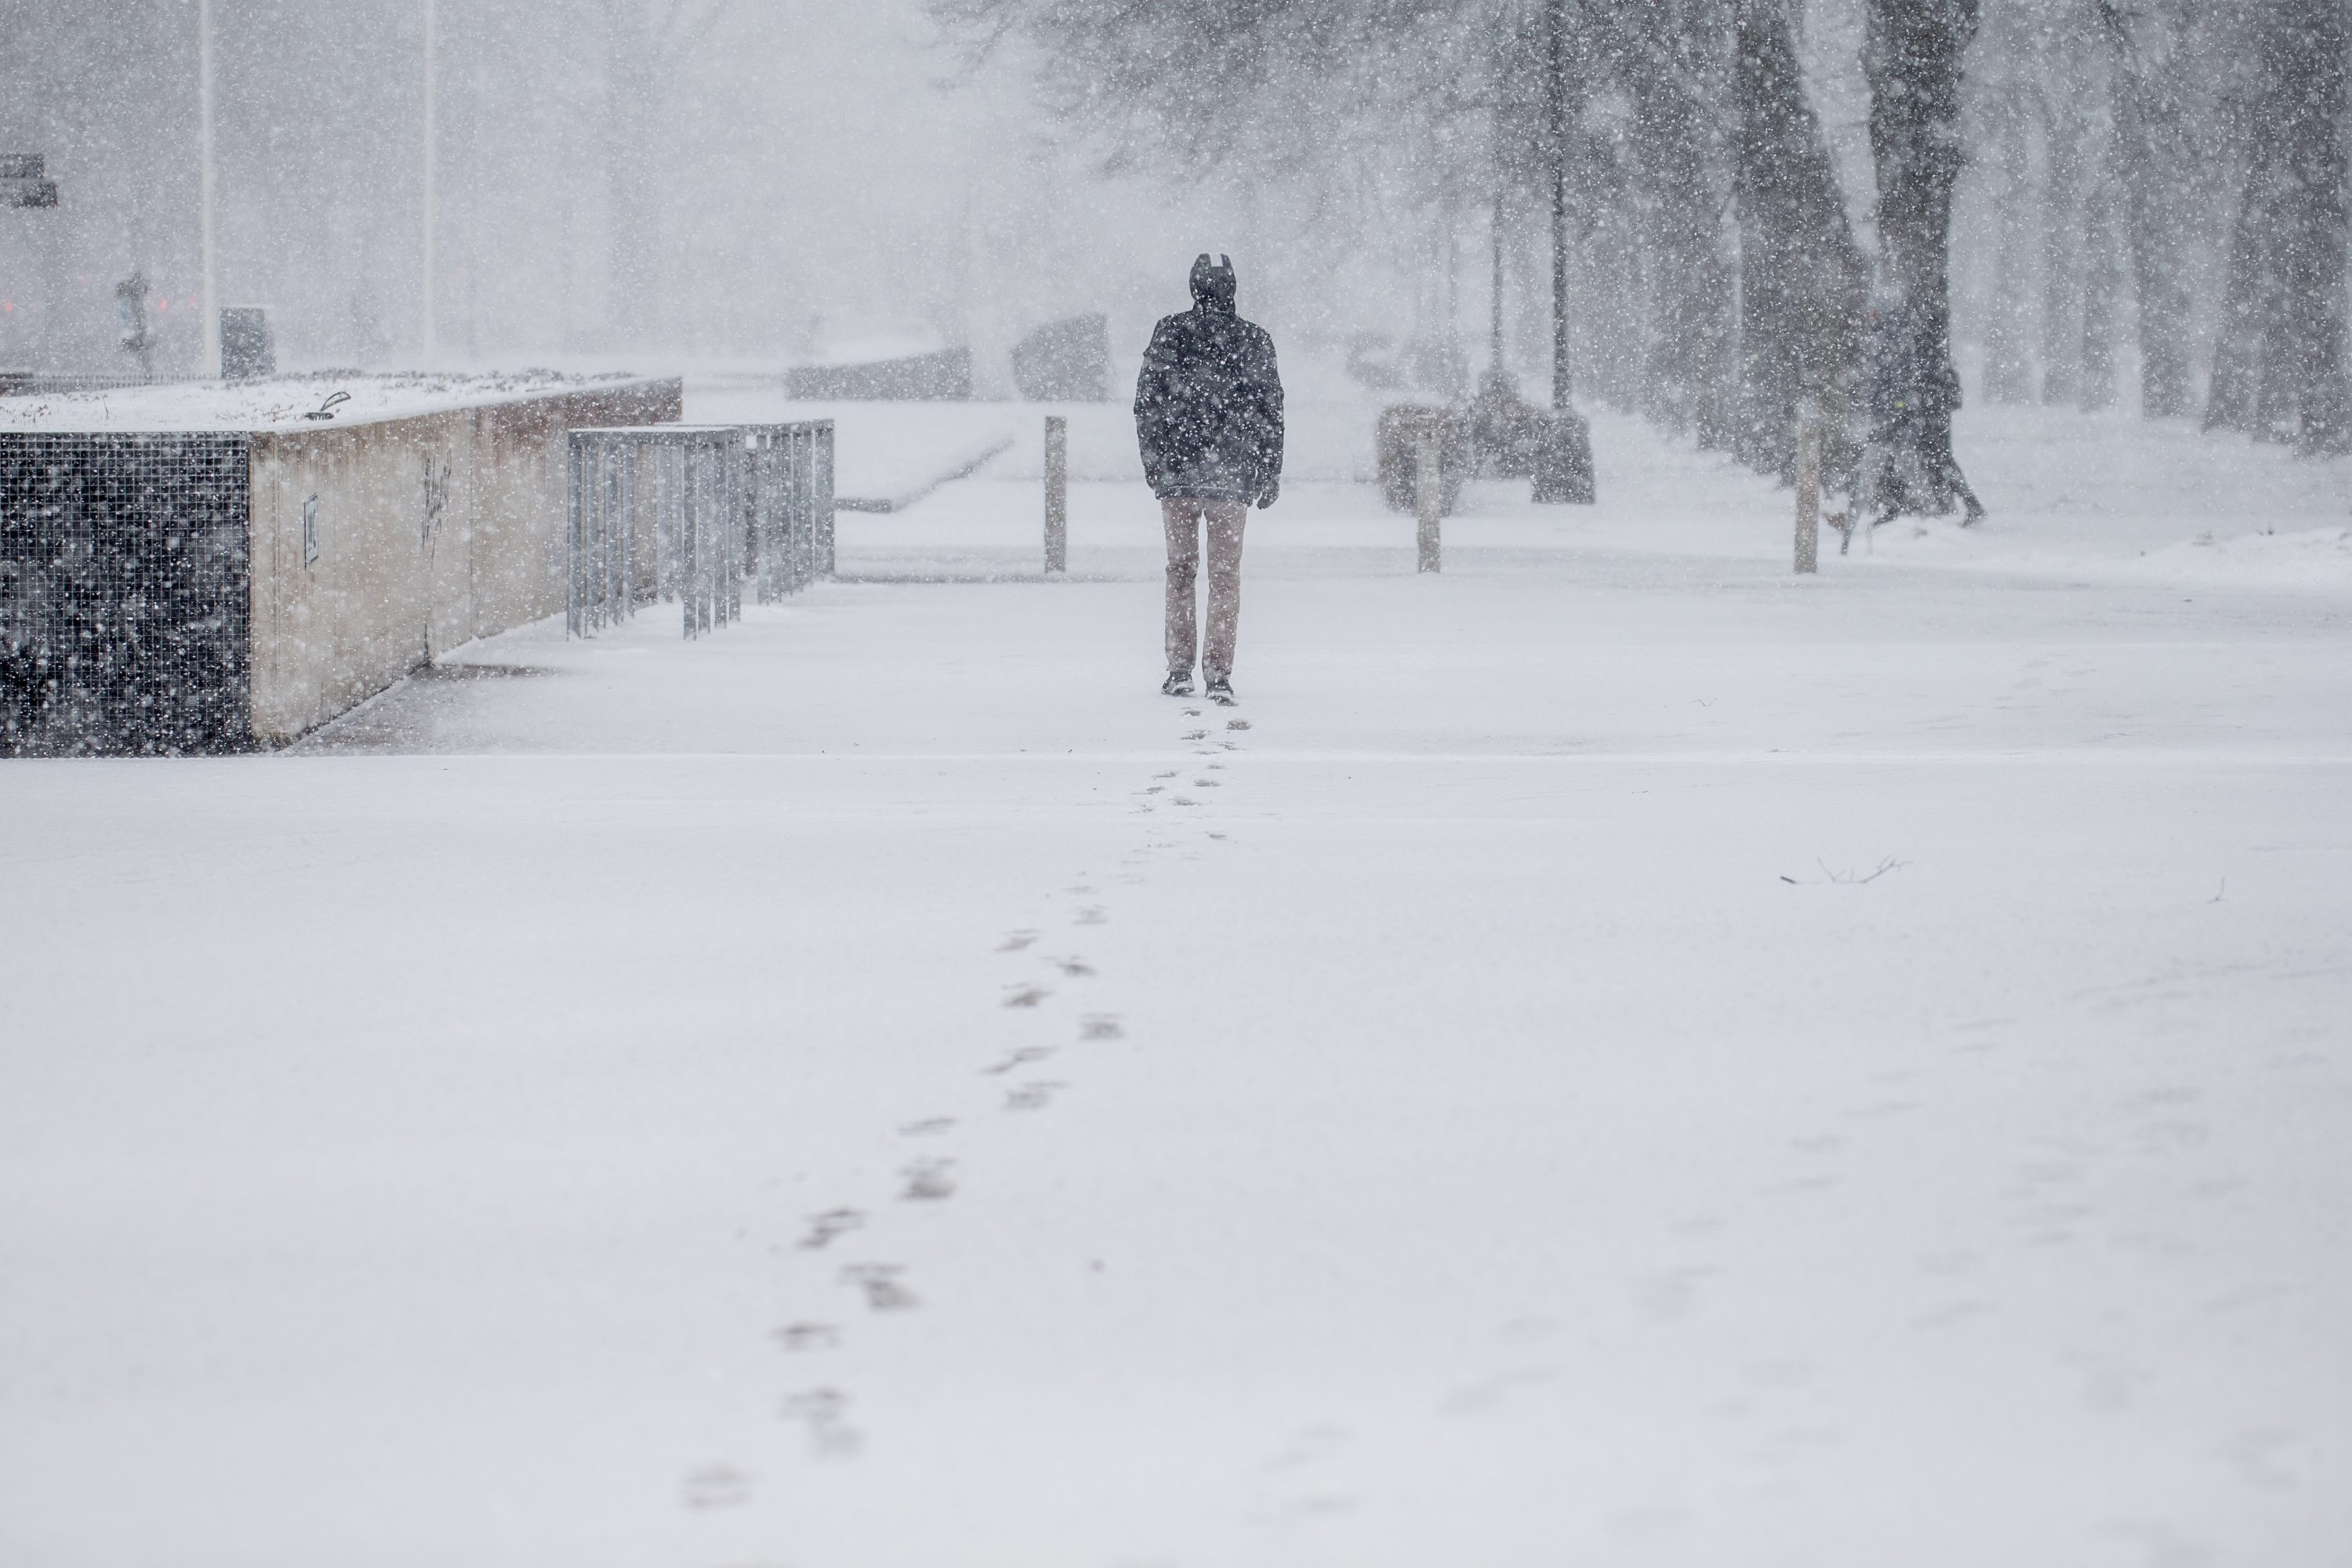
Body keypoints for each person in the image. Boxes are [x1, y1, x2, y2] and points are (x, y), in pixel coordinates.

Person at [1134, 252, 1283, 705]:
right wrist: (1268, 470)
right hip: (1231, 478)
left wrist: (1156, 463)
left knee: (1180, 571)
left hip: (1179, 475)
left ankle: (1180, 669)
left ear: (1193, 287)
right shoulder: (1253, 339)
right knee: (1224, 577)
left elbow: (1148, 404)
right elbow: (1270, 410)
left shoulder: (1170, 332)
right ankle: (1218, 674)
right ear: (1233, 288)